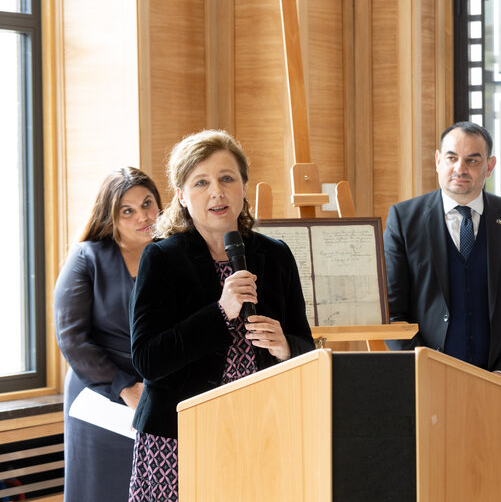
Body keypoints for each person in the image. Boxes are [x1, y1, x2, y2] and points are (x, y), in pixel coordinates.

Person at [128, 130, 314, 501]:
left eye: (227, 179)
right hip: (179, 437)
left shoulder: (275, 255)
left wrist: (285, 346)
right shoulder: (162, 259)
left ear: (244, 187)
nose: (217, 191)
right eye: (201, 182)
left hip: (261, 429)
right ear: (181, 195)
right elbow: (148, 359)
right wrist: (219, 312)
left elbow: (304, 345)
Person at [383, 121, 501, 383]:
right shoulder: (403, 220)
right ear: (438, 160)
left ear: (489, 166)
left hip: (500, 382)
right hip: (427, 382)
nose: (460, 169)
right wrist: (424, 368)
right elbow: (391, 313)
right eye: (451, 158)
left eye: (472, 160)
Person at [54, 167, 162, 502]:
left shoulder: (173, 253)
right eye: (127, 211)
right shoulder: (87, 258)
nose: (143, 216)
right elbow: (72, 337)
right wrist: (125, 388)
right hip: (100, 396)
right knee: (101, 490)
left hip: (157, 396)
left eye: (147, 203)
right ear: (110, 216)